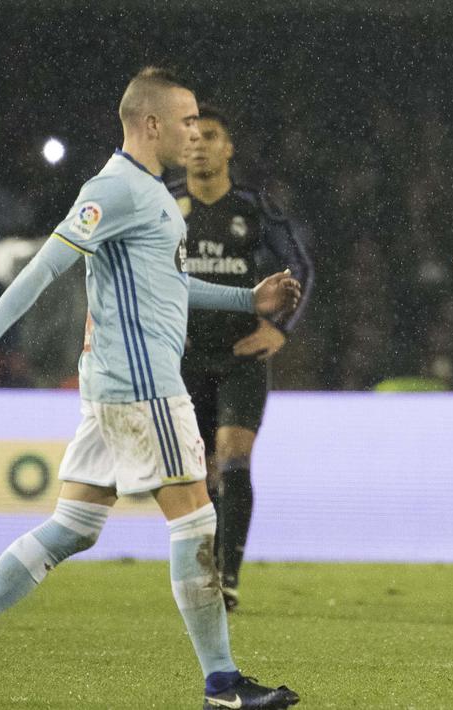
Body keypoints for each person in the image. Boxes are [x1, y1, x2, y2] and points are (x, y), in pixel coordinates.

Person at [0, 67, 302, 710]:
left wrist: (246, 296)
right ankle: (224, 684)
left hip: (112, 390)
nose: (194, 132)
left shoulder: (152, 194)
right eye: (185, 121)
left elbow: (169, 286)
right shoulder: (115, 188)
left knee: (73, 525)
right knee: (197, 520)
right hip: (144, 387)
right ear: (150, 124)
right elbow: (45, 267)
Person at [167, 105, 314, 611]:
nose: (200, 144)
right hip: (182, 359)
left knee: (233, 460)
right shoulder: (162, 206)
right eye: (192, 136)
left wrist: (279, 329)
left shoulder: (252, 207)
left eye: (211, 136)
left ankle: (227, 577)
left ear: (228, 149)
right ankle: (202, 568)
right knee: (195, 474)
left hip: (240, 359)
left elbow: (302, 266)